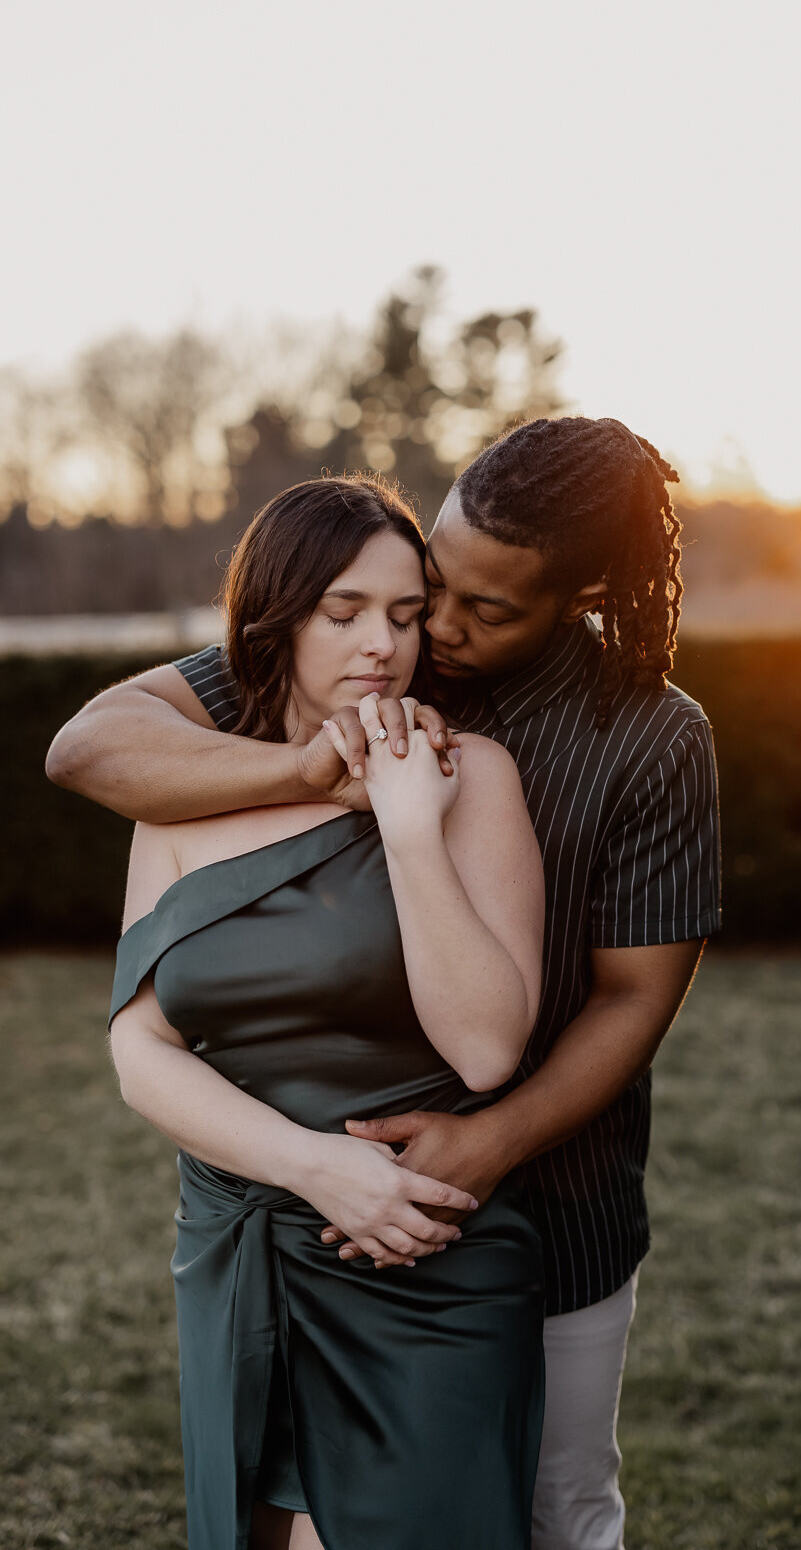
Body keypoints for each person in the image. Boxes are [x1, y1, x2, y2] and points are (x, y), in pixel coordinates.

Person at [48, 414, 721, 1550]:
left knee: (549, 1513)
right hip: (274, 1211)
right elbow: (92, 748)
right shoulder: (340, 651)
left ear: (580, 594)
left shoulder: (644, 735)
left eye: (473, 610)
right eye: (423, 588)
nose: (427, 636)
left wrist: (491, 1139)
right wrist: (308, 767)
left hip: (536, 1198)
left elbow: (630, 999)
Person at [104, 476, 546, 1550]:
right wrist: (308, 1165)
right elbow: (138, 1043)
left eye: (403, 615)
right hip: (242, 1245)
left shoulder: (470, 775)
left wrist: (406, 829)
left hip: (416, 1264)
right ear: (276, 618)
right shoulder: (183, 795)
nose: (382, 645)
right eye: (343, 613)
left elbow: (487, 1048)